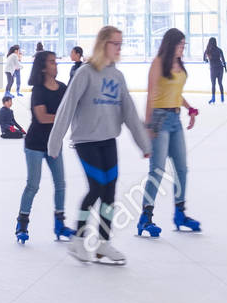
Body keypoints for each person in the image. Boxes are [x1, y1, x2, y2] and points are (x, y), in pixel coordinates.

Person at [47, 25, 152, 266]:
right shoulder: (85, 73)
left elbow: (129, 113)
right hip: (86, 141)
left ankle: (103, 244)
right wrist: (54, 143)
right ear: (103, 44)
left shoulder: (117, 76)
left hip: (108, 141)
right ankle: (78, 238)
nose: (119, 48)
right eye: (115, 43)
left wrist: (143, 143)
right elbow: (67, 107)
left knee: (109, 191)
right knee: (97, 187)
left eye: (120, 44)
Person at [138, 27, 201, 238]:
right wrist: (148, 127)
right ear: (171, 44)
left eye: (184, 45)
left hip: (175, 119)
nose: (183, 48)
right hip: (159, 119)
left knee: (182, 169)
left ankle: (180, 213)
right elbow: (151, 95)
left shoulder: (179, 64)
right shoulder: (158, 63)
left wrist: (189, 108)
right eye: (180, 44)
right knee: (157, 170)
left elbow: (176, 92)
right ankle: (145, 218)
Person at [16, 50, 75, 244]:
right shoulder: (38, 90)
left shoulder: (63, 88)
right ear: (43, 67)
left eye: (56, 62)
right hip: (35, 144)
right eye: (51, 62)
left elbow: (73, 107)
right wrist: (63, 117)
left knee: (61, 184)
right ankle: (22, 222)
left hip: (54, 143)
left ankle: (60, 223)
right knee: (33, 184)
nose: (55, 65)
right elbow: (42, 117)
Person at [203, 36, 226, 103]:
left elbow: (204, 59)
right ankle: (222, 98)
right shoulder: (219, 49)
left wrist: (208, 60)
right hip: (220, 68)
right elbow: (223, 59)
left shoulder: (208, 50)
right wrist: (225, 67)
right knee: (220, 83)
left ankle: (213, 98)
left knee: (213, 84)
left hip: (213, 68)